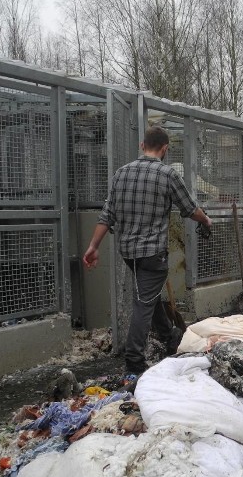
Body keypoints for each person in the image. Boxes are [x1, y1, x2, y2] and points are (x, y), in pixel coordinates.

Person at [83, 125, 212, 374]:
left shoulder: (121, 174)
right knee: (143, 303)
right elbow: (189, 208)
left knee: (148, 296)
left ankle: (168, 336)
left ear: (142, 146)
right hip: (153, 253)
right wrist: (205, 219)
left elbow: (106, 215)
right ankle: (134, 359)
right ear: (164, 149)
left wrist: (93, 246)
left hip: (128, 253)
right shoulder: (167, 175)